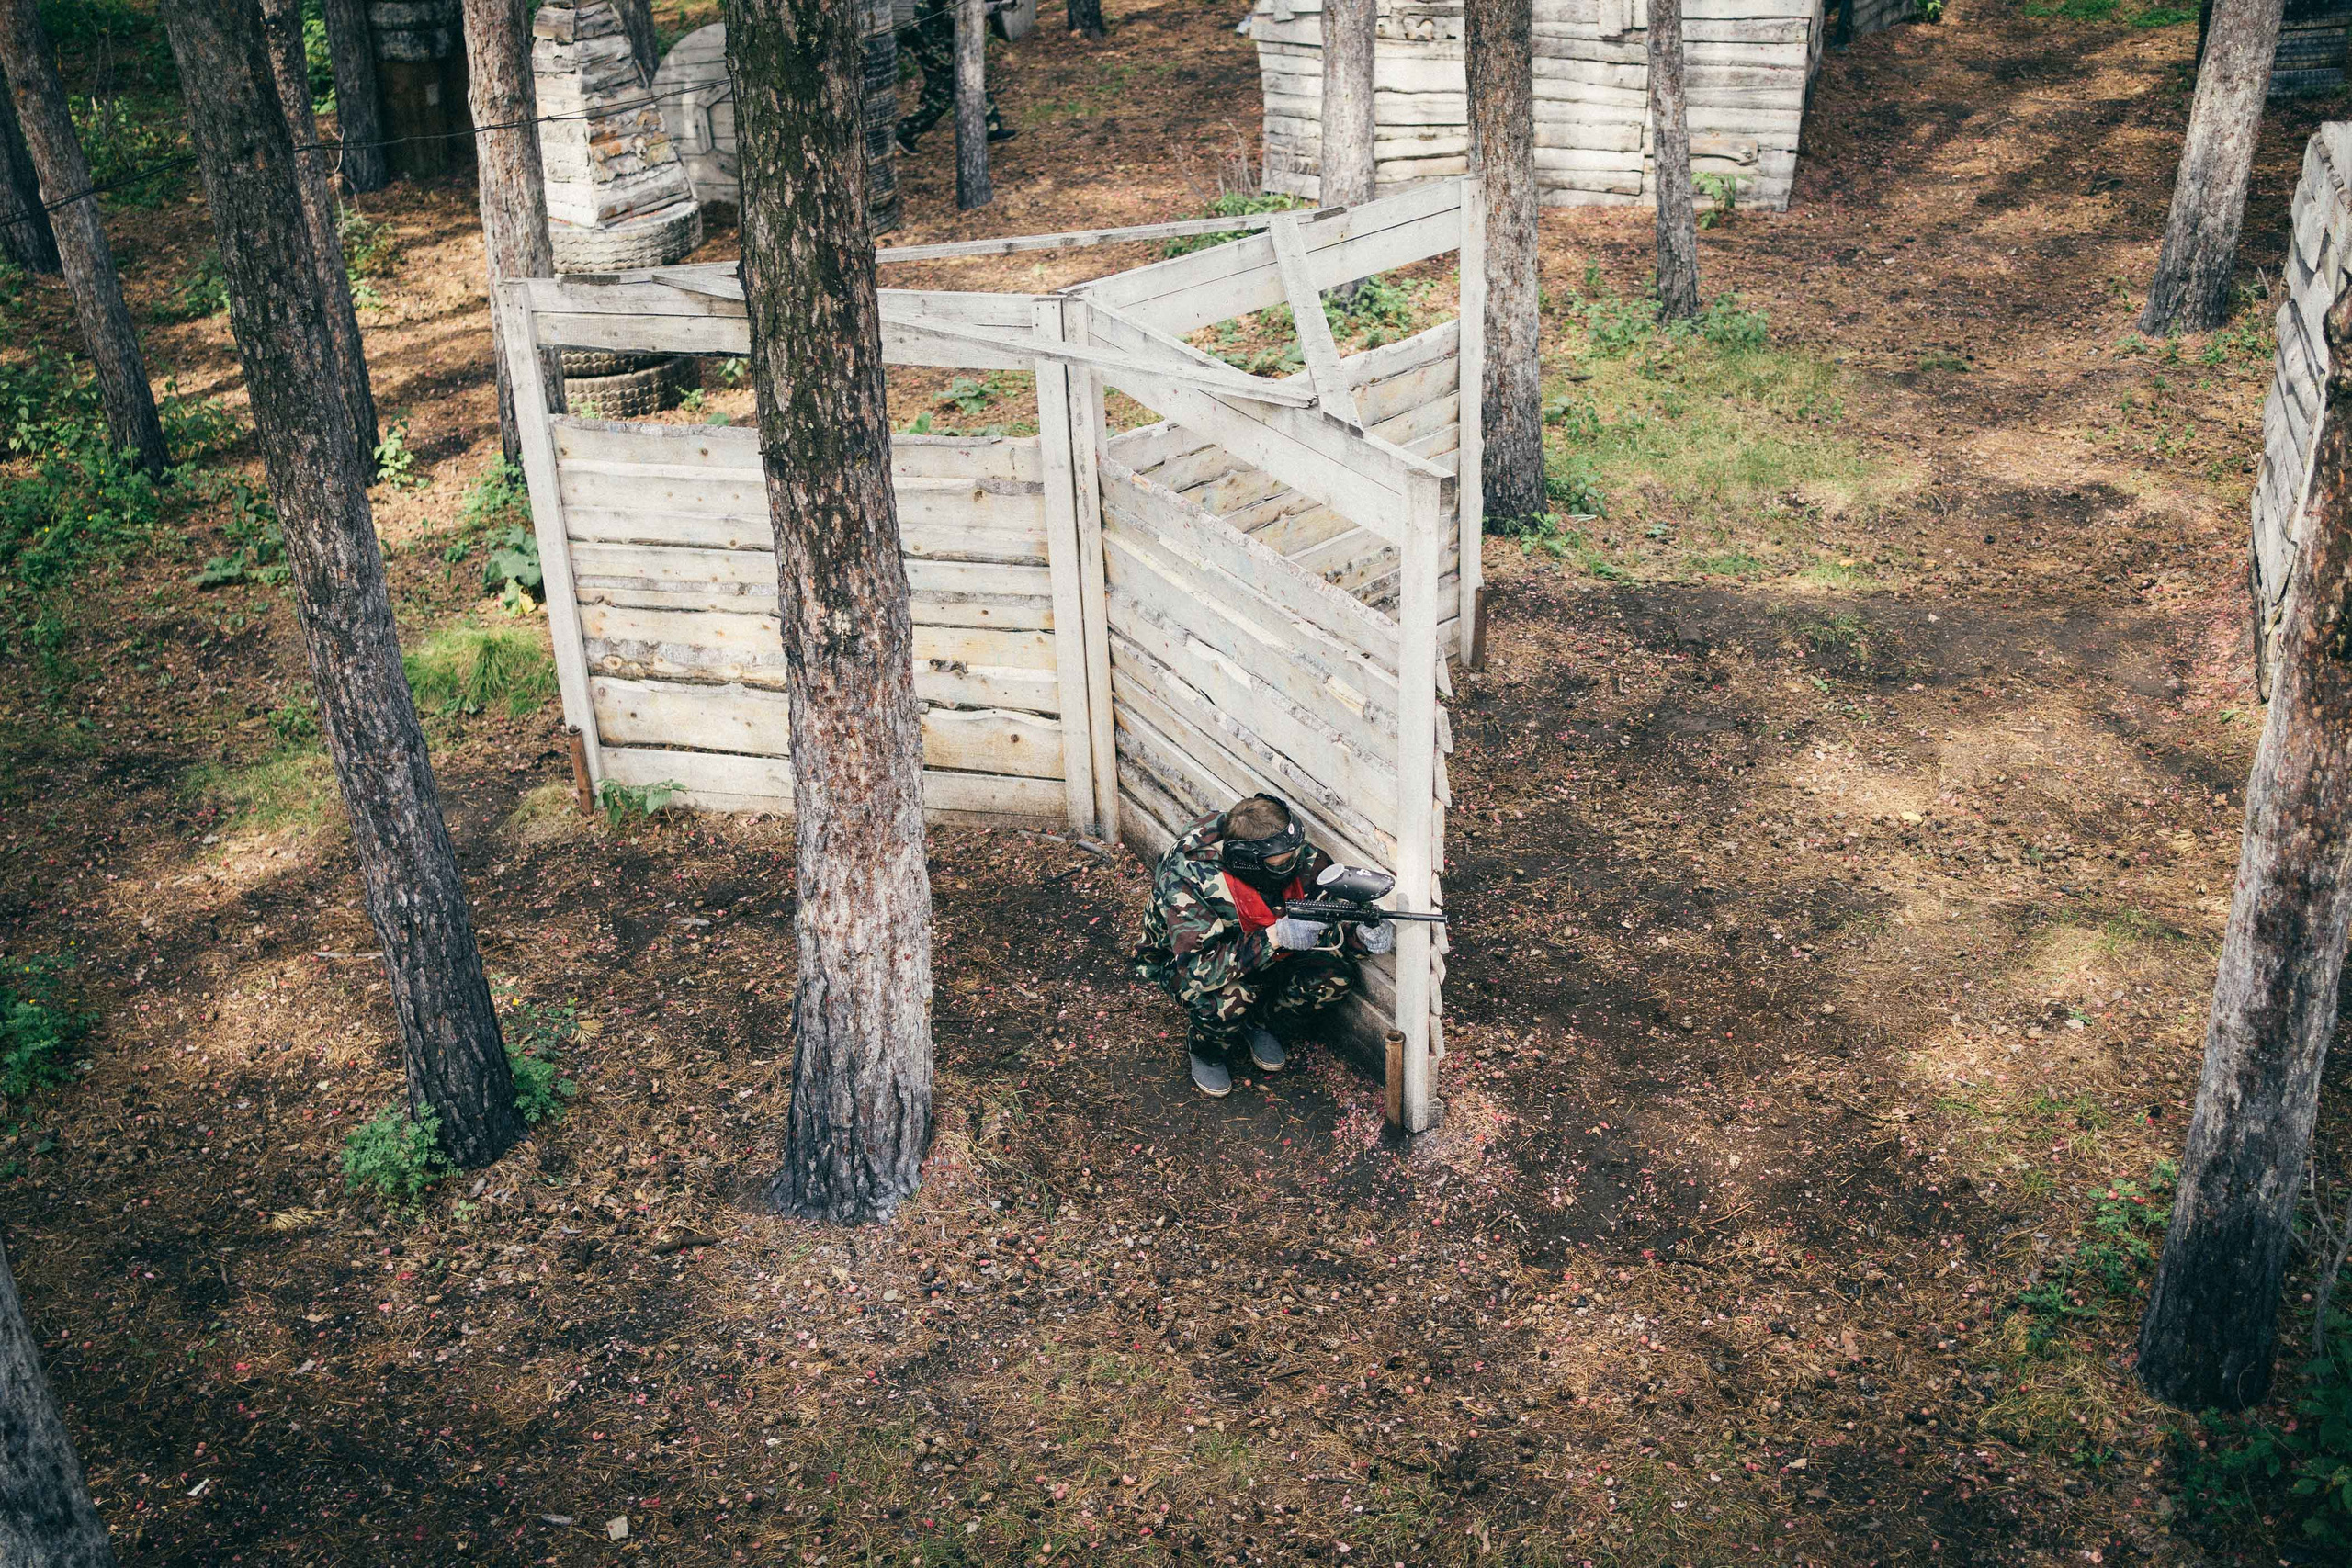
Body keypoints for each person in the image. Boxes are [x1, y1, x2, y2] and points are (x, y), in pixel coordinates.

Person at [1132, 795, 1395, 1098]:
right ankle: (1206, 1051)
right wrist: (1275, 937)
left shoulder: (1294, 855)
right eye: (1282, 862)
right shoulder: (1188, 879)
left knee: (1333, 977)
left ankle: (1260, 1024)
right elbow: (1198, 971)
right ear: (1247, 860)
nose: (1297, 862)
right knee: (1233, 999)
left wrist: (1360, 934)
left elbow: (1328, 919)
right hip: (1183, 962)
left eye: (1295, 851)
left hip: (1259, 952)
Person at [894, 0, 1018, 152]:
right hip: (928, 32)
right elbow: (954, 13)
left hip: (942, 29)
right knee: (943, 90)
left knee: (972, 75)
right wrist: (994, 7)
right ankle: (904, 133)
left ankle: (991, 127)